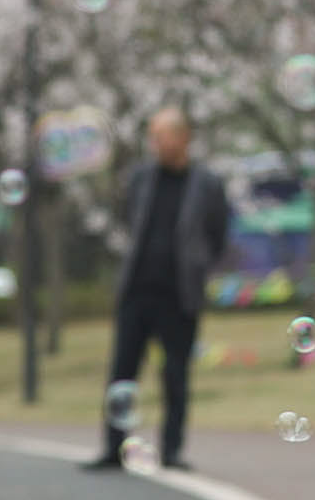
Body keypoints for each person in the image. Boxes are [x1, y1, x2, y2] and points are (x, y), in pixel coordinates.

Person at [86, 106, 230, 472]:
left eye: (162, 135)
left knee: (176, 375)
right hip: (137, 291)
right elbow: (126, 221)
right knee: (122, 373)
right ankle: (113, 447)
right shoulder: (139, 179)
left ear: (183, 138)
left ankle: (171, 449)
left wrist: (198, 264)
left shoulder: (208, 184)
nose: (156, 144)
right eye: (153, 136)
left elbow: (218, 235)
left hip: (179, 295)